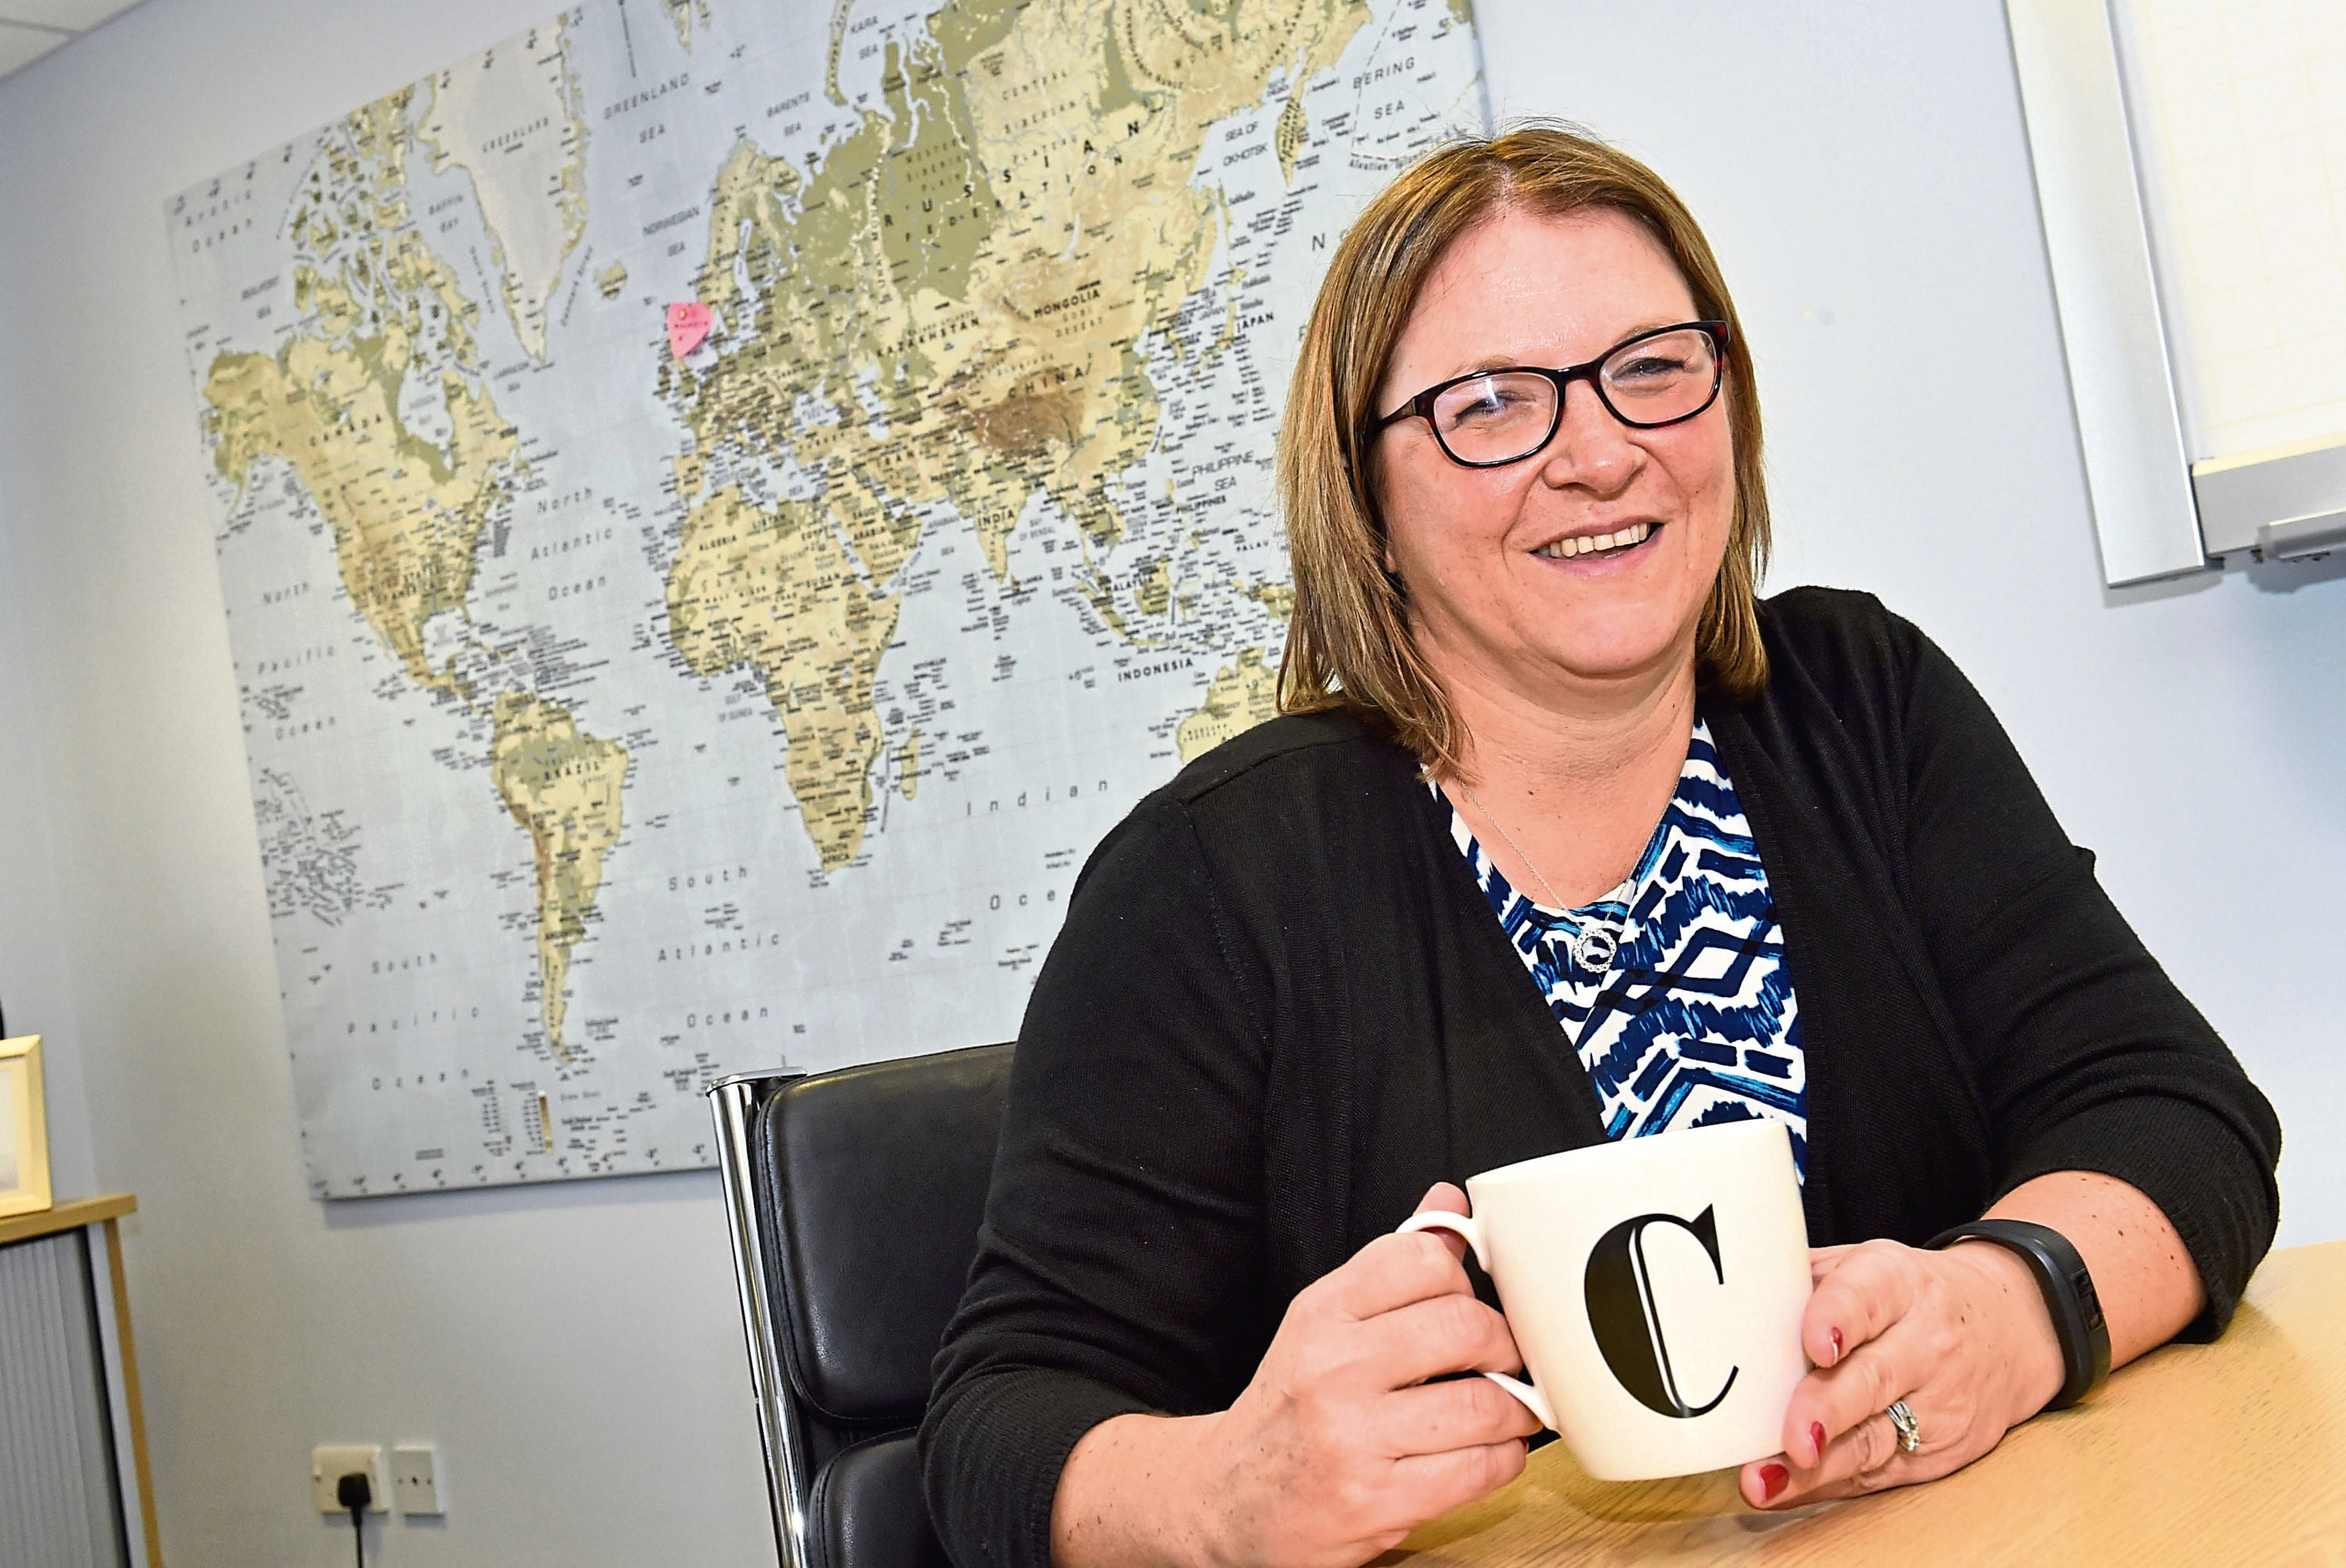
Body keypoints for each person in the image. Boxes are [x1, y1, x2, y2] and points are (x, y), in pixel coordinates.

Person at [920, 125, 2280, 1568]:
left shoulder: (1865, 705)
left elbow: (2177, 1115)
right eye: (1491, 403)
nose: (1600, 451)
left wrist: (2012, 1308)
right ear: (1368, 501)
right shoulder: (1212, 880)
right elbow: (994, 1423)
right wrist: (1219, 1494)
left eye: (1652, 367)